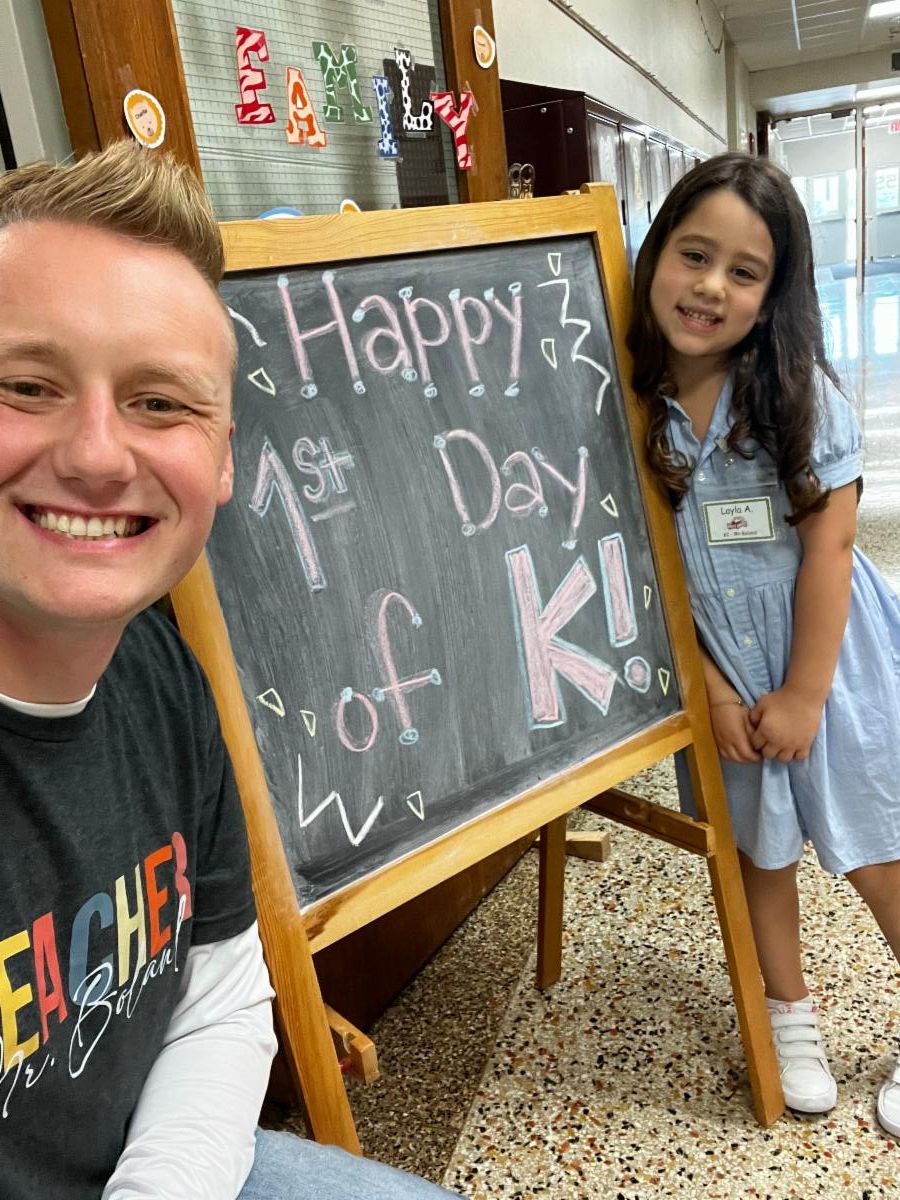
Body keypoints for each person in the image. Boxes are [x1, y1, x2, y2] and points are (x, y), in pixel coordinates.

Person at [0, 141, 461, 1199]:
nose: (98, 454)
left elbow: (215, 994)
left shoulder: (159, 670)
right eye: (26, 385)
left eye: (161, 403)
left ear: (223, 459)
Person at [626, 153, 900, 1131]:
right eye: (694, 255)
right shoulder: (631, 403)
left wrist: (807, 693)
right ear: (655, 253)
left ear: (773, 294)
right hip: (725, 678)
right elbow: (642, 562)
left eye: (743, 272)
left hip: (834, 666)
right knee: (760, 851)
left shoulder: (797, 396)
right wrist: (707, 686)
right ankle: (790, 1016)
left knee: (880, 849)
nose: (710, 287)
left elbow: (831, 549)